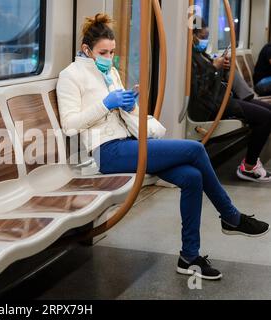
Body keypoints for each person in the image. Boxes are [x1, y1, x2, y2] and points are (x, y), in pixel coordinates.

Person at [57, 13, 269, 281]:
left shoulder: (109, 72)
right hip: (106, 152)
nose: (109, 58)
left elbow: (123, 117)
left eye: (112, 52)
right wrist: (106, 104)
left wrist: (128, 104)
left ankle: (189, 257)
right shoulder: (70, 76)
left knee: (191, 178)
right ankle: (231, 216)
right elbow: (70, 125)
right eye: (103, 52)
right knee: (195, 150)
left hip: (129, 142)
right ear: (87, 49)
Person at [190, 18, 271, 183]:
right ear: (193, 36)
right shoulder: (189, 57)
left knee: (268, 112)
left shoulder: (199, 54)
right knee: (265, 117)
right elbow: (200, 88)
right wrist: (215, 67)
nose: (204, 40)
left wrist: (220, 65)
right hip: (213, 104)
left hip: (221, 98)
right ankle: (248, 167)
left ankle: (252, 161)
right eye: (202, 36)